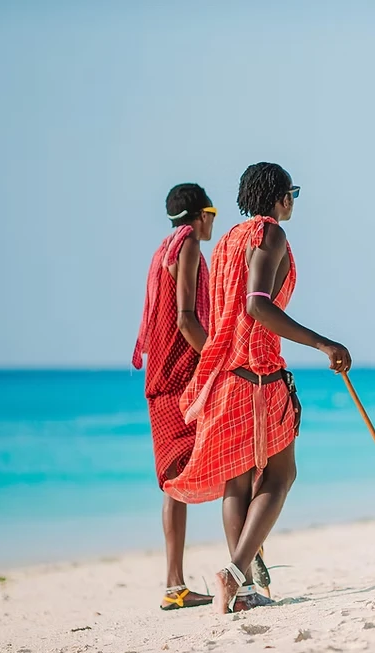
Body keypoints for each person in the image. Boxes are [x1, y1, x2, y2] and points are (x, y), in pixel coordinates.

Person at [165, 162, 352, 613]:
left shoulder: (227, 239)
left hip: (223, 372)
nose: (293, 201)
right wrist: (325, 344)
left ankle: (245, 590)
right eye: (293, 193)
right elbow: (258, 306)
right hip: (257, 371)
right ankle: (234, 573)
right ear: (280, 196)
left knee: (237, 482)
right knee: (280, 475)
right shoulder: (271, 235)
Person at [131, 183, 217, 610]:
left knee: (173, 481)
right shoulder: (186, 249)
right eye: (212, 212)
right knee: (235, 458)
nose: (214, 223)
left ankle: (174, 587)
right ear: (200, 215)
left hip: (161, 376)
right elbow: (186, 320)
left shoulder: (164, 246)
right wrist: (219, 357)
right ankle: (249, 564)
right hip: (182, 377)